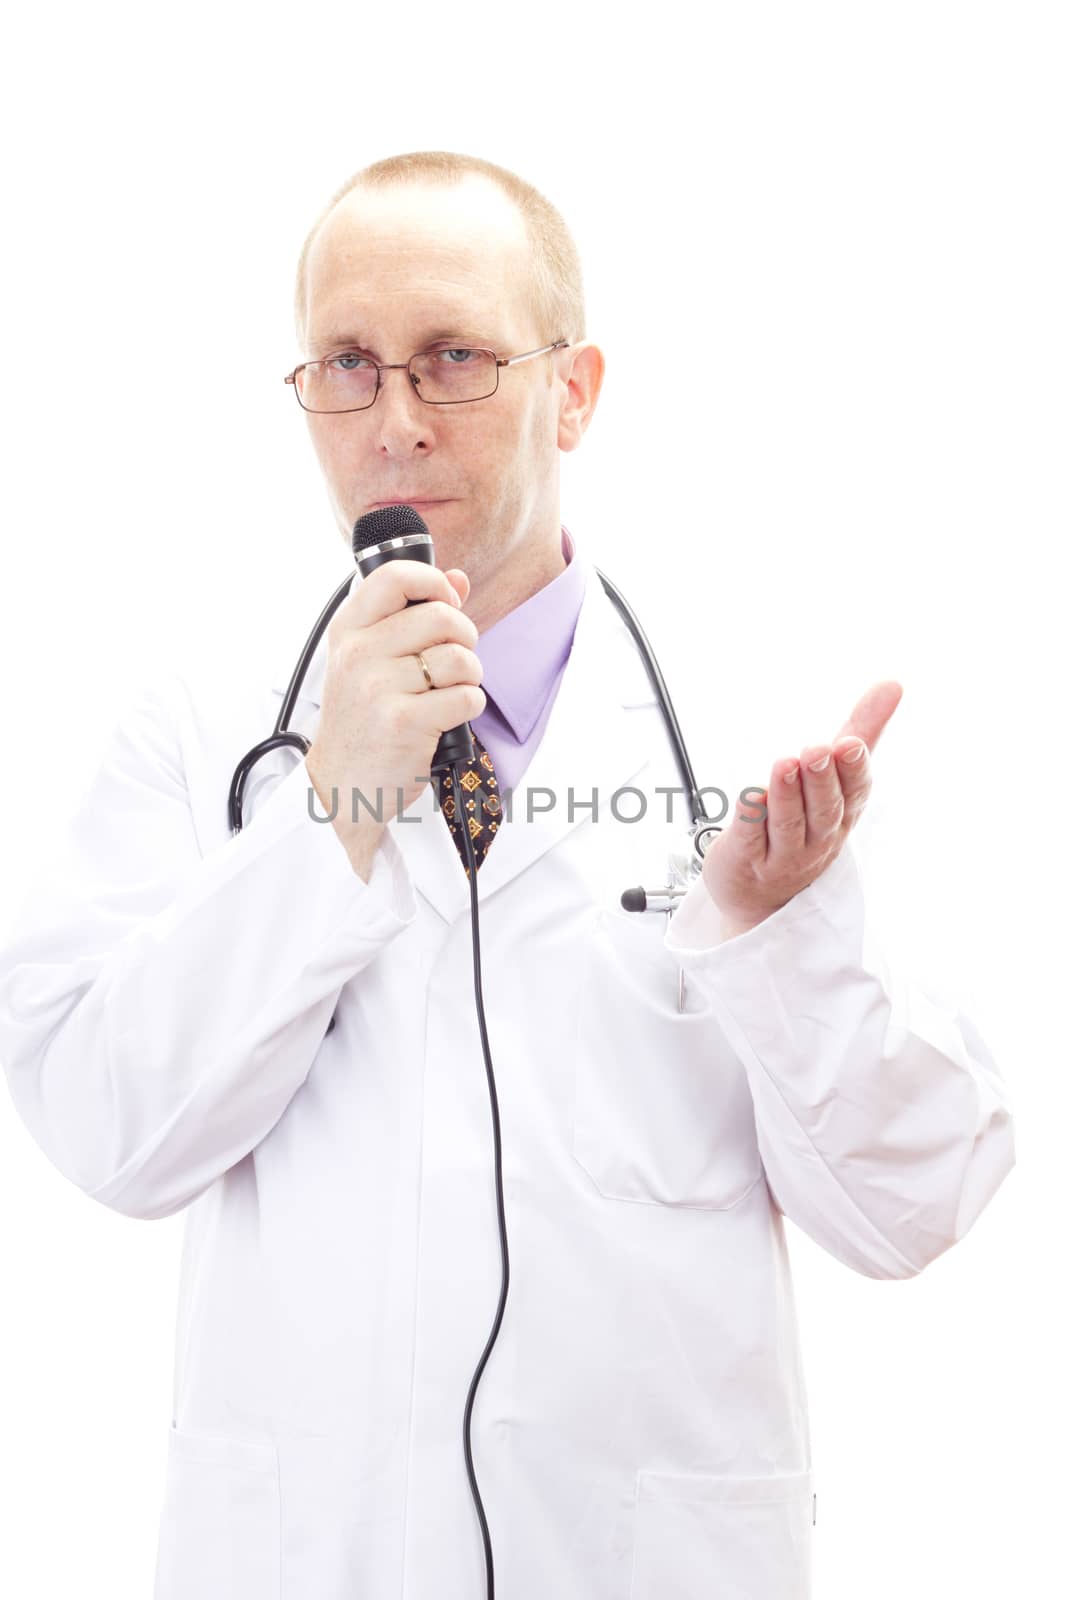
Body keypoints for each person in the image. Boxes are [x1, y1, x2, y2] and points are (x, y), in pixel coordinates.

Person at [0, 150, 1015, 1600]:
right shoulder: (206, 727)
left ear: (576, 388)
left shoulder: (747, 728)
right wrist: (331, 813)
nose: (394, 422)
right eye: (347, 364)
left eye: (453, 359)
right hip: (304, 1558)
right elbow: (106, 1134)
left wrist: (785, 944)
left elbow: (915, 1210)